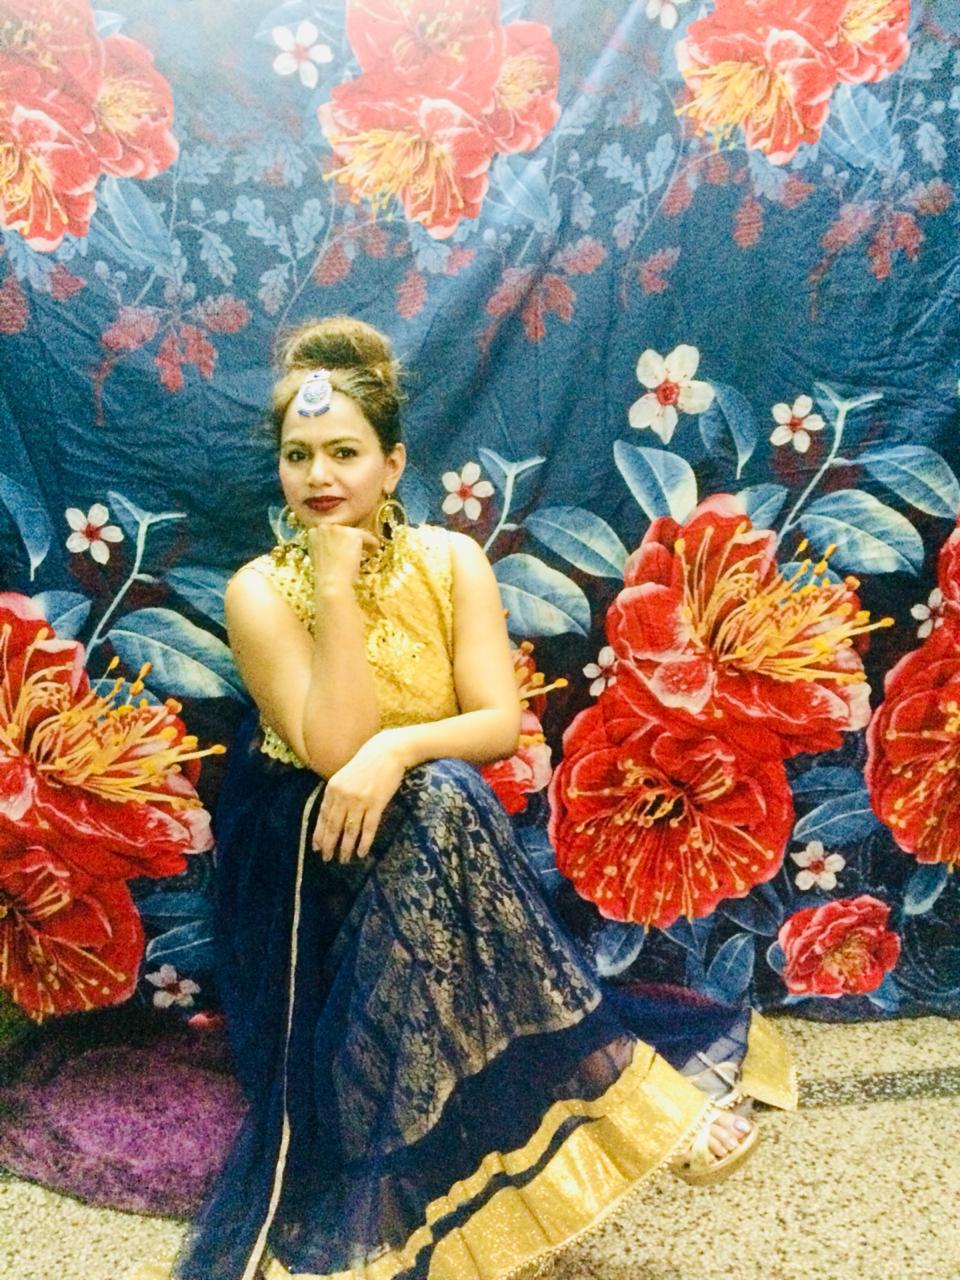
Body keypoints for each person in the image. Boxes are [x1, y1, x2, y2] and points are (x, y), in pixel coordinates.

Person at [160, 317, 796, 1280]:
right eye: (298, 456)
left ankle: (594, 1080)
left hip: (430, 824)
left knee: (448, 791)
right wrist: (335, 591)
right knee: (446, 796)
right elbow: (331, 750)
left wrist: (400, 749)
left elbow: (498, 723)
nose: (319, 475)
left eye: (344, 452)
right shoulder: (259, 590)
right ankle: (624, 1084)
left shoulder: (450, 561)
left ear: (392, 464)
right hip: (310, 851)